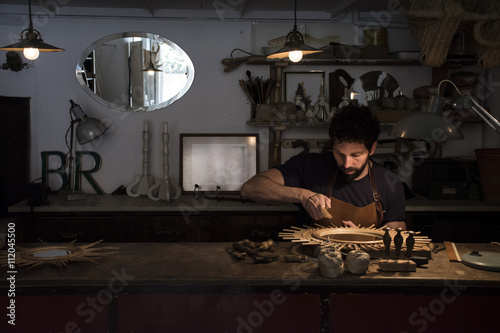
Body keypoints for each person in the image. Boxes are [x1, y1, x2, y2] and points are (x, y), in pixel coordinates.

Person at [241, 104, 406, 230]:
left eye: (356, 155)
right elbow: (250, 188)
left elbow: (398, 235)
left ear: (372, 149)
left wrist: (366, 237)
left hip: (363, 267)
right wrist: (303, 196)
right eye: (339, 154)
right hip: (310, 266)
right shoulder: (310, 166)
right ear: (332, 145)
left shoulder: (388, 183)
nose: (347, 164)